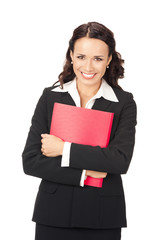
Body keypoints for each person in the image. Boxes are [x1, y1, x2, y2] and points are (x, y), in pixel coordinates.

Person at [22, 22, 137, 240]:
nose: (89, 67)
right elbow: (31, 161)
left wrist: (63, 149)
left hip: (103, 216)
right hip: (52, 212)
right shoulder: (50, 97)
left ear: (109, 59)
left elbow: (119, 161)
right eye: (82, 57)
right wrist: (85, 174)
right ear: (71, 56)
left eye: (98, 58)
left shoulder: (123, 103)